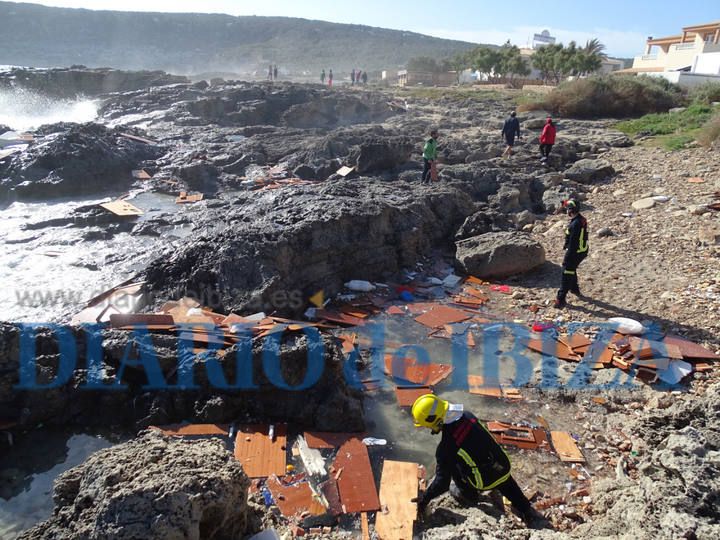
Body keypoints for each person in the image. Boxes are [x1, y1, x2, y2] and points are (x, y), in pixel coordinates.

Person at [410, 394, 542, 525]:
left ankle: (469, 495)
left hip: (485, 481)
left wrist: (424, 499)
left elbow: (442, 483)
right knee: (505, 483)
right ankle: (526, 509)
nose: (427, 428)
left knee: (453, 466)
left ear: (435, 421)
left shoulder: (446, 448)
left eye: (427, 425)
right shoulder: (468, 416)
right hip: (502, 465)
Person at [555, 199, 589, 308]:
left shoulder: (575, 224)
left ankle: (561, 299)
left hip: (576, 252)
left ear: (571, 210)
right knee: (571, 268)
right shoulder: (580, 219)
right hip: (582, 250)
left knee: (566, 272)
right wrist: (563, 204)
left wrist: (568, 256)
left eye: (567, 209)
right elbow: (567, 203)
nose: (566, 211)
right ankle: (574, 288)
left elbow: (573, 243)